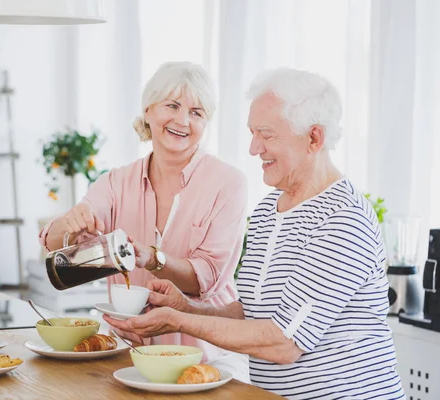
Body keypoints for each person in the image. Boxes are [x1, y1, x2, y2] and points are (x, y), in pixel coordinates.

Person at [105, 67, 405, 399]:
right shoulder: (267, 211)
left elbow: (284, 343)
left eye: (266, 134)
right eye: (252, 133)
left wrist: (179, 322)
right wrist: (187, 308)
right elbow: (251, 312)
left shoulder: (342, 221)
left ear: (314, 138)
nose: (253, 148)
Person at [39, 62, 250, 383]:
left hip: (207, 359)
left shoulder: (228, 182)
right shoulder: (115, 182)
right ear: (148, 110)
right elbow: (57, 251)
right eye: (173, 106)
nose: (182, 120)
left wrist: (152, 259)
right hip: (129, 353)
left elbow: (204, 280)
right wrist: (69, 224)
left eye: (197, 112)